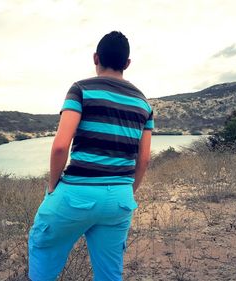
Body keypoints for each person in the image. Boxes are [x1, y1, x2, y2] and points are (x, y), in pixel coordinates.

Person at [28, 31, 154, 281]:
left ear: (95, 57)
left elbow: (61, 146)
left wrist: (53, 186)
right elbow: (144, 159)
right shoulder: (143, 104)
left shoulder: (81, 90)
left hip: (77, 194)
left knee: (42, 247)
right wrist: (128, 191)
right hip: (120, 197)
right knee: (109, 273)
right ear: (127, 64)